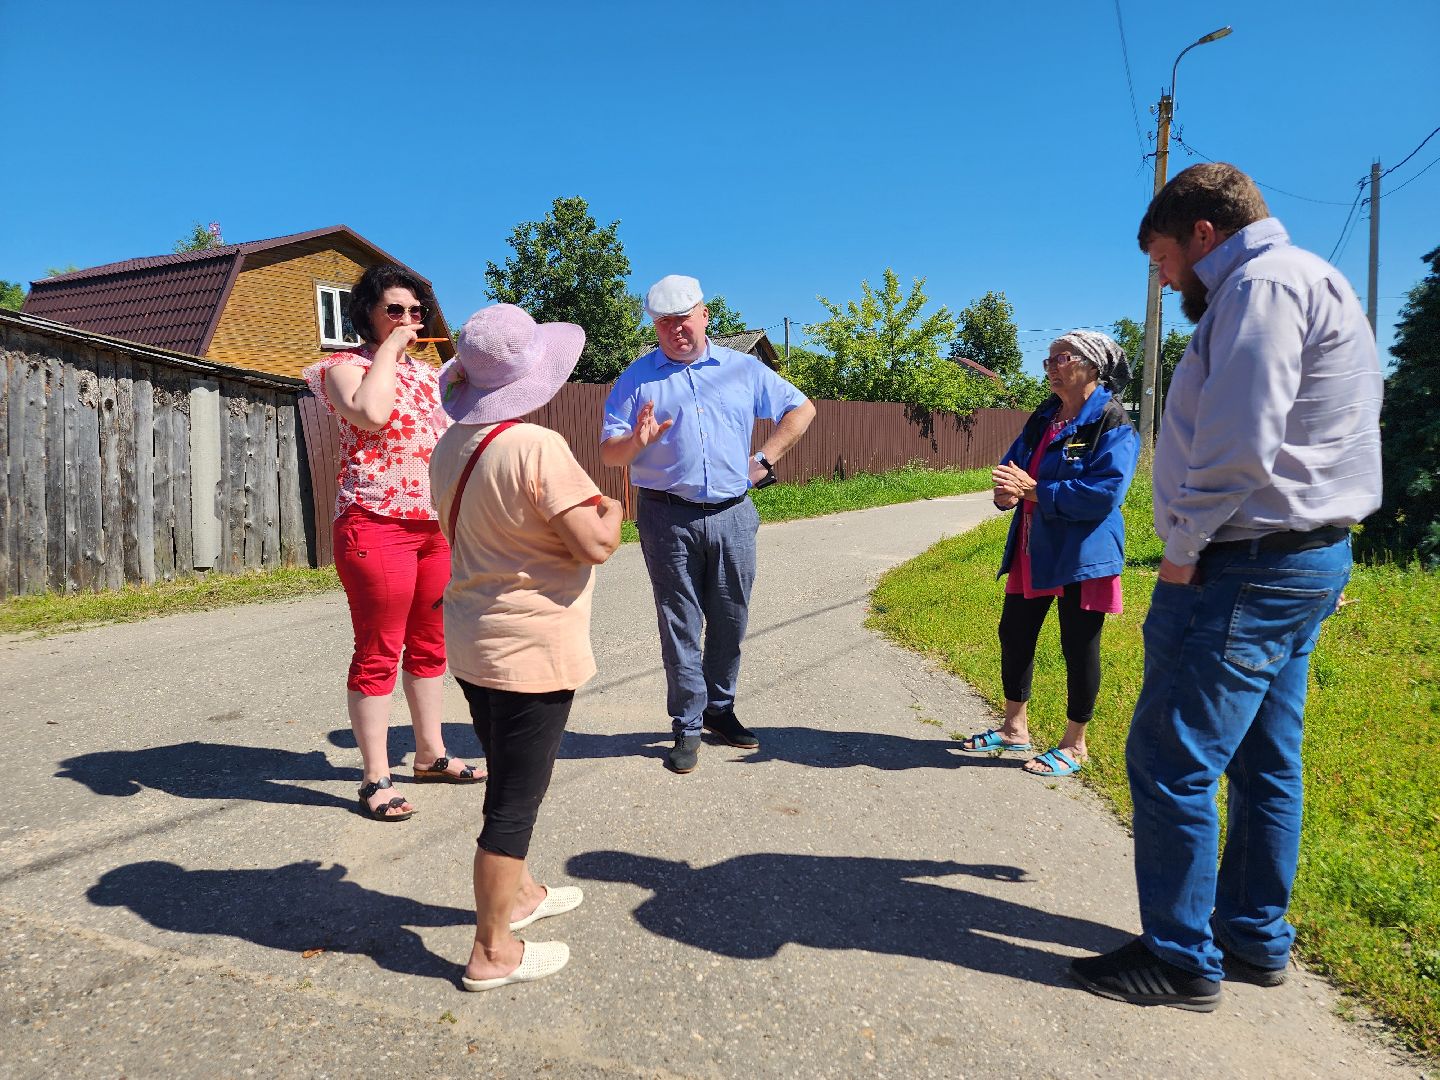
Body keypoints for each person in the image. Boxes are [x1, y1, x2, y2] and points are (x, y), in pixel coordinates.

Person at [1070, 163, 1383, 1011]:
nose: (1164, 278)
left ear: (1203, 232)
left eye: (1163, 258)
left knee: (1170, 760)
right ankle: (1251, 936)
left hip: (1240, 565)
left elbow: (1241, 441)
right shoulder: (1318, 279)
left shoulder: (1261, 288)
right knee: (1264, 759)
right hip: (1299, 557)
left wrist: (1181, 548)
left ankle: (1179, 959)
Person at [430, 304, 622, 992]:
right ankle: (491, 951)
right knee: (513, 802)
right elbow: (596, 542)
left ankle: (522, 895)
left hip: (475, 641)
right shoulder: (535, 447)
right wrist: (615, 505)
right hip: (530, 648)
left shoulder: (450, 446)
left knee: (508, 774)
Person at [601, 275, 816, 774]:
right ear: (655, 324)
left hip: (733, 512)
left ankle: (721, 708)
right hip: (665, 514)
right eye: (664, 322)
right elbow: (611, 452)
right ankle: (688, 723)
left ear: (704, 315)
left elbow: (801, 408)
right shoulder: (637, 378)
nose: (676, 329)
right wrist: (637, 440)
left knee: (730, 615)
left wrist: (764, 458)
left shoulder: (743, 369)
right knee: (680, 620)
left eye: (684, 318)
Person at [303, 264, 484, 823]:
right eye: (395, 311)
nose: (409, 321)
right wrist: (390, 350)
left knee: (432, 644)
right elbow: (370, 413)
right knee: (380, 647)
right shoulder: (342, 367)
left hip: (433, 527)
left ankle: (430, 755)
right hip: (374, 522)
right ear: (368, 314)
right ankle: (375, 776)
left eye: (416, 312)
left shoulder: (431, 375)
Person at [960, 330, 1139, 777]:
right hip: (1031, 546)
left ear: (1093, 367)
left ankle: (1074, 745)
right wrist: (1006, 494)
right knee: (1014, 633)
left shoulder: (1112, 422)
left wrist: (1036, 491)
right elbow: (1014, 464)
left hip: (1083, 553)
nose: (1052, 367)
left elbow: (1104, 493)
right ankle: (1013, 729)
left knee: (1078, 646)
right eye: (1049, 359)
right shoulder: (1044, 415)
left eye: (1064, 358)